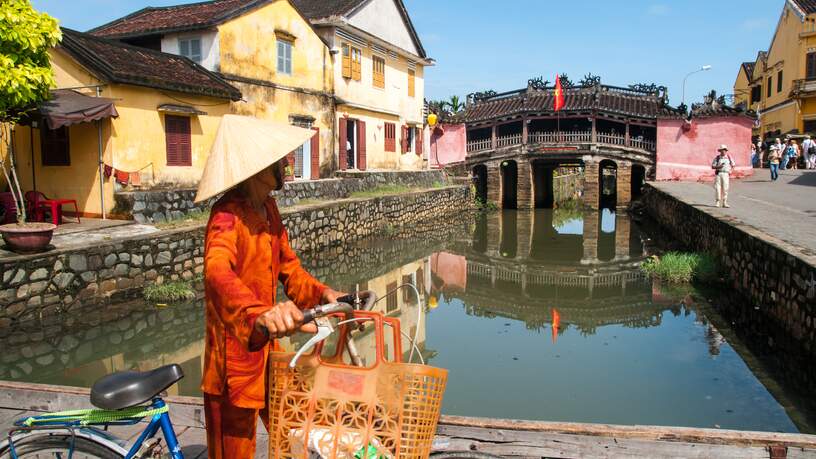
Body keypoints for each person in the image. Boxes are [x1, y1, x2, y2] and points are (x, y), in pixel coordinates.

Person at [195, 115, 346, 459]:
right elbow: (216, 273)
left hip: (268, 348)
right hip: (232, 361)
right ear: (261, 167)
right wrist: (259, 314)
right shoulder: (226, 216)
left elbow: (290, 268)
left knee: (292, 430)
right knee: (234, 450)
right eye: (279, 159)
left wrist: (324, 294)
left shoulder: (268, 209)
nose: (286, 163)